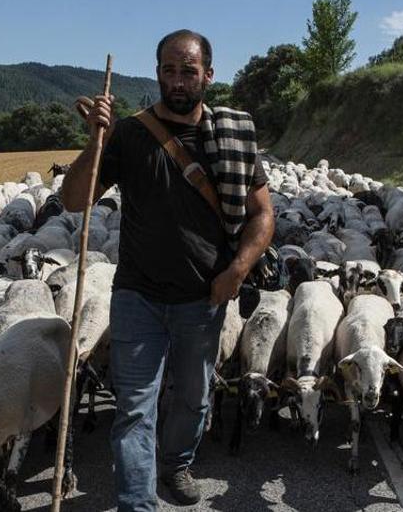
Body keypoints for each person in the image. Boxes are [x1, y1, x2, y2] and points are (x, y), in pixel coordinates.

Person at [61, 29, 274, 511]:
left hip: (204, 298)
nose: (178, 81)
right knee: (134, 409)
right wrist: (98, 140)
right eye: (169, 70)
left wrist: (237, 270)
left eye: (189, 71)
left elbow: (263, 216)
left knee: (194, 400)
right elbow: (75, 200)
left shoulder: (234, 136)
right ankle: (139, 503)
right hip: (138, 296)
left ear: (209, 75)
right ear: (157, 73)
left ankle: (176, 463)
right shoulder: (131, 134)